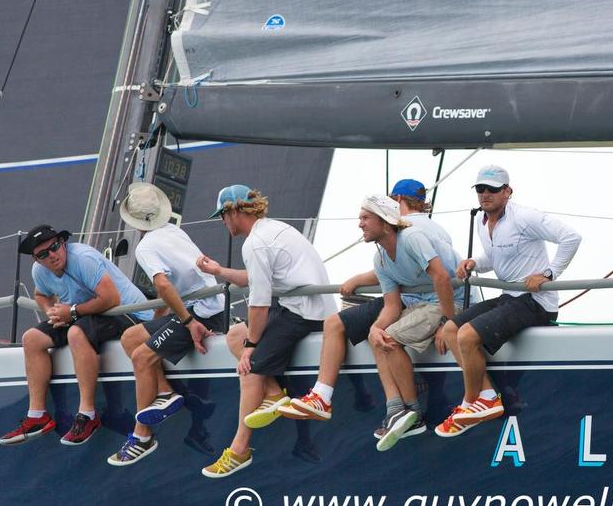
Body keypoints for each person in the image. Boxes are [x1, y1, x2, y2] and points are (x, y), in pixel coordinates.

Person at [283, 195, 463, 452]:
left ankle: (412, 413)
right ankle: (397, 410)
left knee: (390, 337)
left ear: (386, 222)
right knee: (378, 335)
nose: (360, 224)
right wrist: (375, 327)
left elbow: (442, 278)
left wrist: (449, 322)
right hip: (416, 306)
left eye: (365, 218)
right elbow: (391, 305)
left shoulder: (412, 239)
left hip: (445, 304)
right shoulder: (380, 259)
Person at [195, 185, 335, 477]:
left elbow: (258, 306)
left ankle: (239, 450)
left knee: (249, 369)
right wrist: (219, 271)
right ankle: (272, 393)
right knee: (234, 335)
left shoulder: (255, 243)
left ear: (234, 211)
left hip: (301, 313)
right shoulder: (272, 230)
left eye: (222, 215)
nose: (222, 222)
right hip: (310, 308)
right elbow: (254, 278)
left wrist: (251, 347)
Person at [437, 164, 582, 437]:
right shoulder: (483, 222)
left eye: (492, 189)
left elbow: (571, 237)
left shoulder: (525, 217)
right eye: (480, 189)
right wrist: (473, 263)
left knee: (467, 336)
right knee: (451, 329)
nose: (485, 194)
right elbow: (494, 259)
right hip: (510, 297)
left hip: (536, 302)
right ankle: (488, 395)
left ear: (507, 191)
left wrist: (549, 273)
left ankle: (470, 403)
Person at [106, 183, 227, 466]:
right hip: (203, 305)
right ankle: (165, 392)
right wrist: (161, 321)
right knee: (130, 338)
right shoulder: (175, 232)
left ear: (132, 221)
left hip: (199, 313)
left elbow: (161, 282)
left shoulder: (145, 247)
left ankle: (141, 436)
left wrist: (186, 321)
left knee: (141, 356)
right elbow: (169, 288)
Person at [0, 224, 152, 446]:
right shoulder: (39, 271)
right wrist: (52, 312)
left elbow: (111, 299)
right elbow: (40, 294)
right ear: (37, 259)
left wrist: (70, 312)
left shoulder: (83, 259)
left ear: (63, 243)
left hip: (129, 313)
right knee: (31, 339)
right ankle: (37, 416)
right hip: (86, 314)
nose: (52, 255)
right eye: (43, 254)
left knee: (76, 334)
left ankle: (87, 415)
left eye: (55, 247)